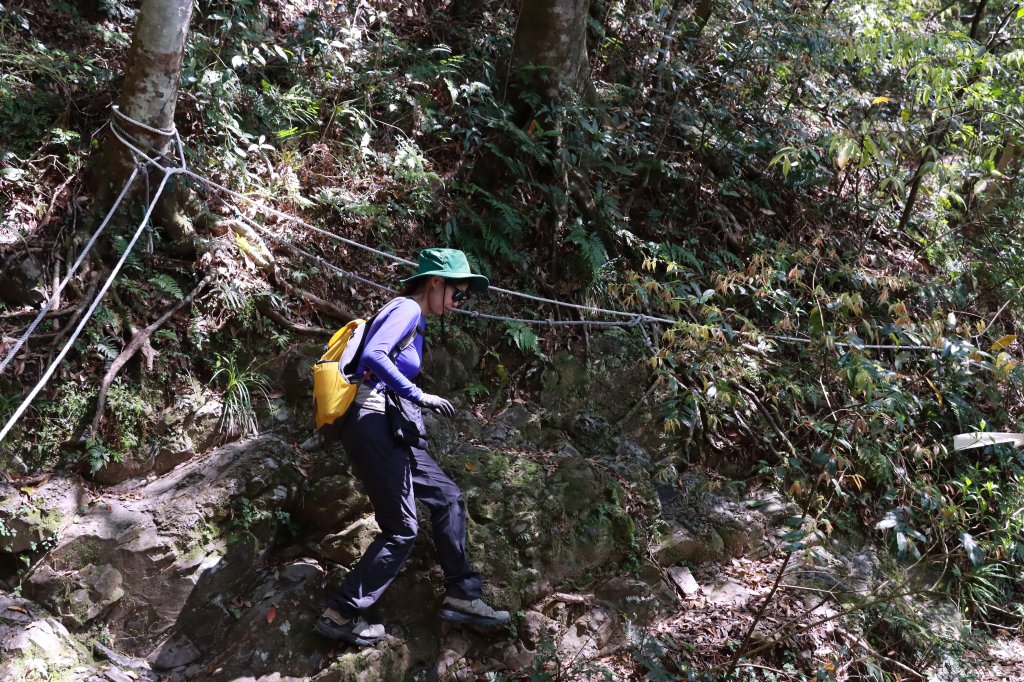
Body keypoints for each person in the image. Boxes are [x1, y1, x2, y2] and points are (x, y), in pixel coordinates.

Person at [315, 248, 510, 647]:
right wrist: (418, 394)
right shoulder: (406, 309)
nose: (459, 303)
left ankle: (462, 594)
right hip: (373, 422)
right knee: (402, 529)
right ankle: (340, 613)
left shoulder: (413, 317)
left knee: (448, 497)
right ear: (435, 281)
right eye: (458, 293)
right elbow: (373, 355)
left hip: (390, 427)